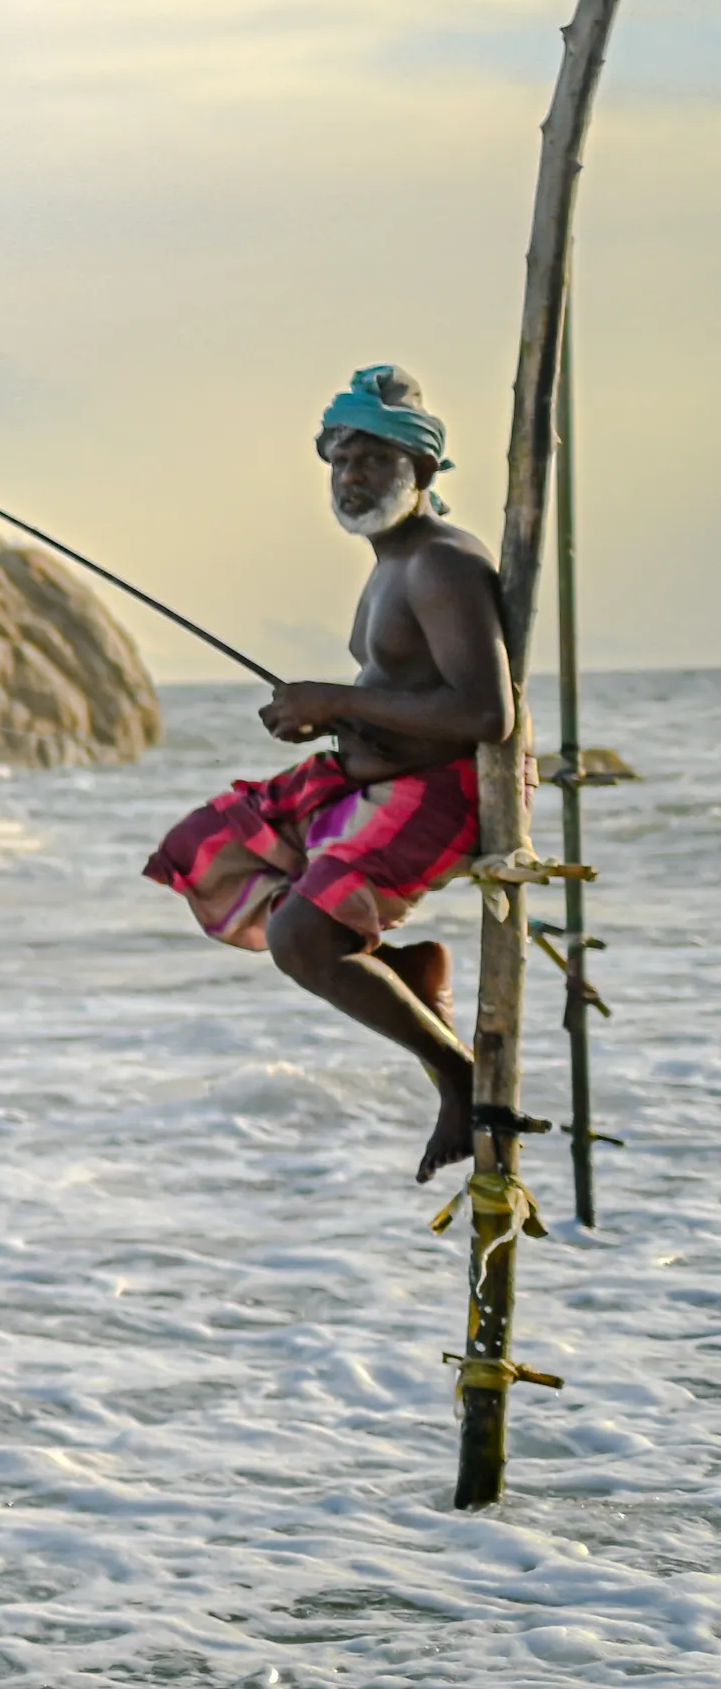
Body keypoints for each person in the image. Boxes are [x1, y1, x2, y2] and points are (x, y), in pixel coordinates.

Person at [145, 367, 508, 1181]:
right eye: (341, 460)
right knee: (209, 845)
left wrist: (338, 698)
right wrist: (326, 713)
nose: (353, 477)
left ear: (422, 469)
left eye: (375, 459)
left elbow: (487, 714)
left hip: (442, 793)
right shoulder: (391, 562)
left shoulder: (440, 563)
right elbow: (407, 689)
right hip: (369, 775)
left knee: (299, 935)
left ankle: (458, 1074)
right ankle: (402, 970)